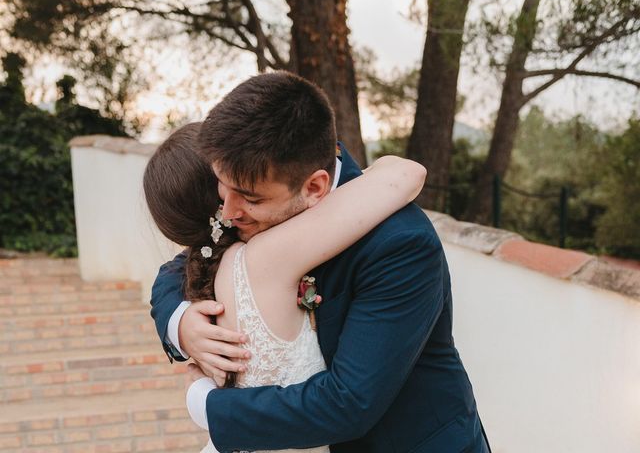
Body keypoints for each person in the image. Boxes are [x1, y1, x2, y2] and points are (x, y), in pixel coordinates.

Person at [150, 72, 490, 452]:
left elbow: (351, 403)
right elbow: (184, 261)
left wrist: (207, 405)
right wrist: (180, 324)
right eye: (220, 189)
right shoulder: (264, 176)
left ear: (315, 187)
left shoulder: (400, 244)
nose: (227, 214)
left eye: (248, 198)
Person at [144, 122, 426, 453]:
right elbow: (406, 176)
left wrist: (182, 332)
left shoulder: (215, 263)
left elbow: (178, 266)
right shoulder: (267, 256)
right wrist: (178, 325)